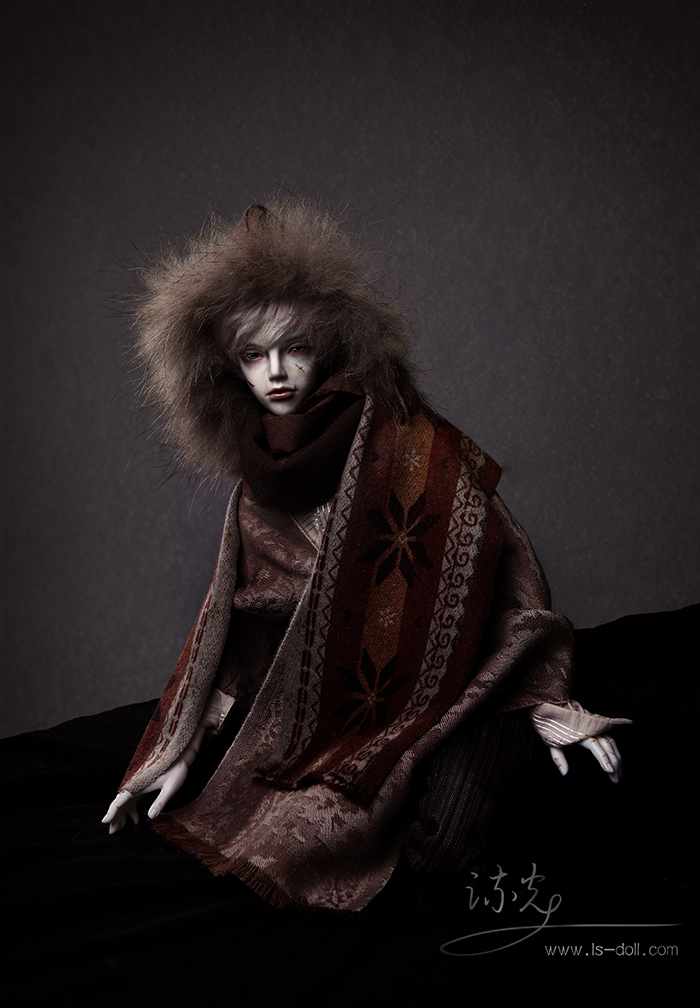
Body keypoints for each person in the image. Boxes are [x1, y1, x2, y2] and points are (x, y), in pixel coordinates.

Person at [103, 198, 626, 911]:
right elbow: (239, 624)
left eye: (296, 347)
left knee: (443, 850)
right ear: (227, 365)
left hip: (469, 682)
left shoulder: (413, 442)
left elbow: (508, 570)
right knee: (318, 831)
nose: (276, 372)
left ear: (332, 343)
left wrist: (542, 696)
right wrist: (181, 745)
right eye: (252, 354)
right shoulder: (257, 485)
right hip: (337, 712)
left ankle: (500, 740)